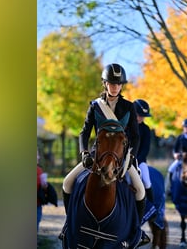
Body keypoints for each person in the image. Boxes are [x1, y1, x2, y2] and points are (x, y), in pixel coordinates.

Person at [62, 63, 150, 245]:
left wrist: (129, 156)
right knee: (67, 182)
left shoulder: (129, 107)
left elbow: (135, 136)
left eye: (118, 84)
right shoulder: (95, 106)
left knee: (140, 190)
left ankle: (136, 232)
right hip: (97, 155)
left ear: (121, 86)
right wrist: (84, 152)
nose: (115, 87)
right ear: (105, 84)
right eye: (111, 83)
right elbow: (84, 132)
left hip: (122, 158)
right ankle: (68, 225)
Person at [133, 99, 154, 203]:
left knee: (146, 180)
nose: (141, 118)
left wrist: (136, 160)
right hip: (122, 160)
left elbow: (145, 148)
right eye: (139, 115)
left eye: (143, 116)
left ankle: (151, 208)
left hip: (139, 161)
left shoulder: (146, 129)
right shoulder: (125, 126)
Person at [37, 150, 47, 232]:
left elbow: (43, 187)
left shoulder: (39, 170)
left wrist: (45, 186)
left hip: (38, 204)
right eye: (36, 155)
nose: (39, 157)